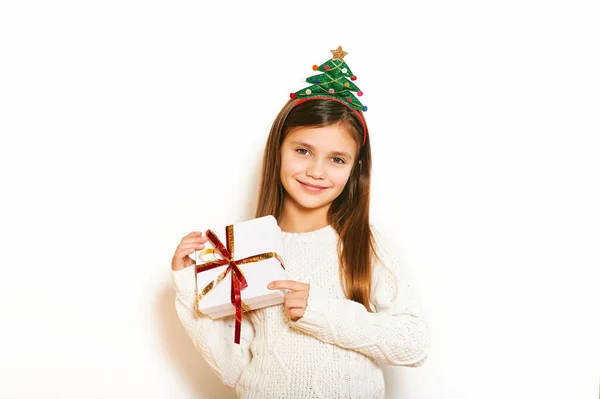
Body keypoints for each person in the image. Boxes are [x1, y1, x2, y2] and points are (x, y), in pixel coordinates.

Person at [170, 46, 430, 399]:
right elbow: (234, 367)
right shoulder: (247, 248)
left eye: (336, 159)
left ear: (355, 170)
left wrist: (322, 313)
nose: (316, 171)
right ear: (278, 149)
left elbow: (413, 344)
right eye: (302, 151)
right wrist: (191, 286)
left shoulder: (365, 245)